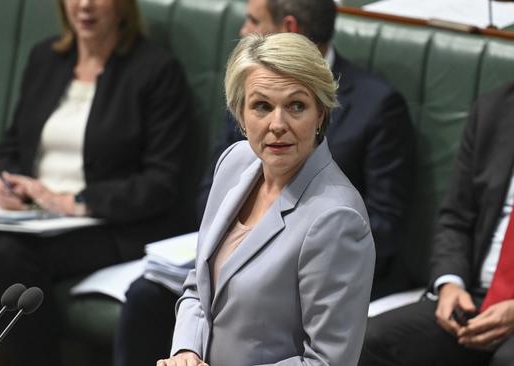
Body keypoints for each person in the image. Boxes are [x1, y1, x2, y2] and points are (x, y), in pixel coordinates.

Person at [0, 0, 193, 364]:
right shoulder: (46, 59)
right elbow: (10, 145)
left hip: (107, 222)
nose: (83, 5)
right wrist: (3, 182)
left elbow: (161, 183)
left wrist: (73, 201)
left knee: (10, 253)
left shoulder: (155, 70)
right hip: (33, 216)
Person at [359, 0, 514, 365]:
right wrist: (450, 283)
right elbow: (455, 217)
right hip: (475, 295)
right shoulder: (494, 110)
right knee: (370, 339)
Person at [159, 32, 375, 366]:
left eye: (296, 106)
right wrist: (187, 351)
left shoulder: (337, 218)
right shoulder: (235, 162)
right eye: (262, 106)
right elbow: (199, 287)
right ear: (240, 115)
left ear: (320, 114)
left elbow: (327, 362)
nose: (277, 124)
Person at [199, 0, 414, 292]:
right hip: (231, 263)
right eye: (262, 106)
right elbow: (210, 198)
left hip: (327, 277)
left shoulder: (378, 105)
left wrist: (279, 248)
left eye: (253, 21)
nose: (277, 125)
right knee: (151, 297)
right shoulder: (251, 82)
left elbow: (384, 226)